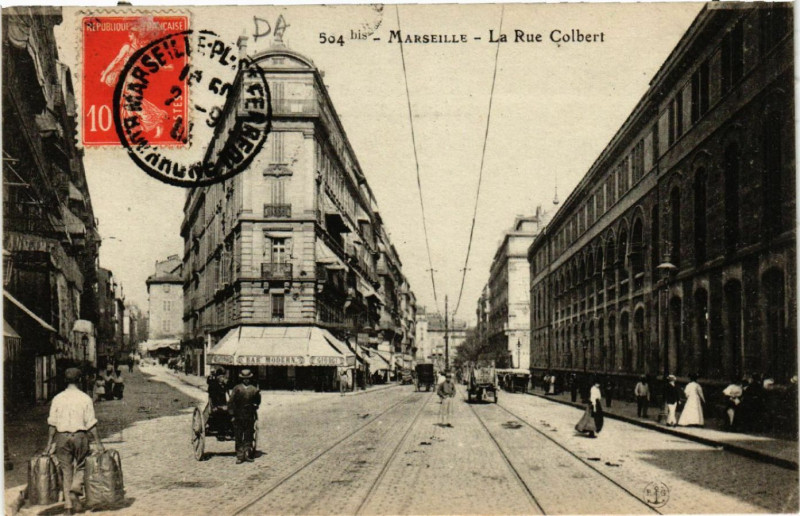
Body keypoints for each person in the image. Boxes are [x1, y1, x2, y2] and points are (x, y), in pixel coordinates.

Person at [45, 368, 105, 515]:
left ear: (65, 381)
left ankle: (68, 506)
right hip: (80, 436)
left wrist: (48, 444)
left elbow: (52, 424)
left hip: (62, 437)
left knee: (66, 470)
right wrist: (98, 442)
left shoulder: (57, 398)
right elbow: (91, 423)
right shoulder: (85, 398)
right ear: (79, 380)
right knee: (82, 466)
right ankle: (75, 489)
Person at [228, 369, 261, 464]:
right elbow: (231, 402)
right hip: (238, 415)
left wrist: (256, 404)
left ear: (250, 379)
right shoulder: (237, 389)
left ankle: (247, 454)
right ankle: (240, 456)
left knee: (248, 435)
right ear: (242, 379)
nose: (246, 380)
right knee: (238, 436)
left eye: (248, 379)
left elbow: (257, 401)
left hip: (249, 415)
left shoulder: (253, 389)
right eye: (244, 379)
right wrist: (232, 414)